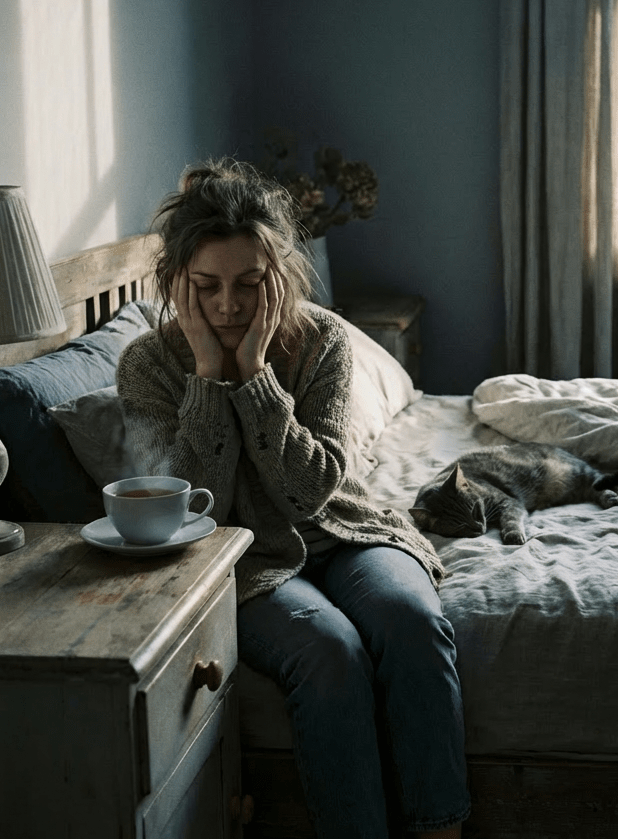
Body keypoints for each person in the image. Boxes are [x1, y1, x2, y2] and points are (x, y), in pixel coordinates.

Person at [116, 159, 470, 839]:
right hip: (244, 561)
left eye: (249, 285)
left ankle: (439, 830)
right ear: (176, 283)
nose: (227, 306)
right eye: (207, 287)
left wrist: (255, 374)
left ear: (278, 278)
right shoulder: (147, 366)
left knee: (411, 620)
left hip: (344, 531)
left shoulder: (323, 341)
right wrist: (211, 378)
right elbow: (194, 509)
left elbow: (311, 489)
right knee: (329, 653)